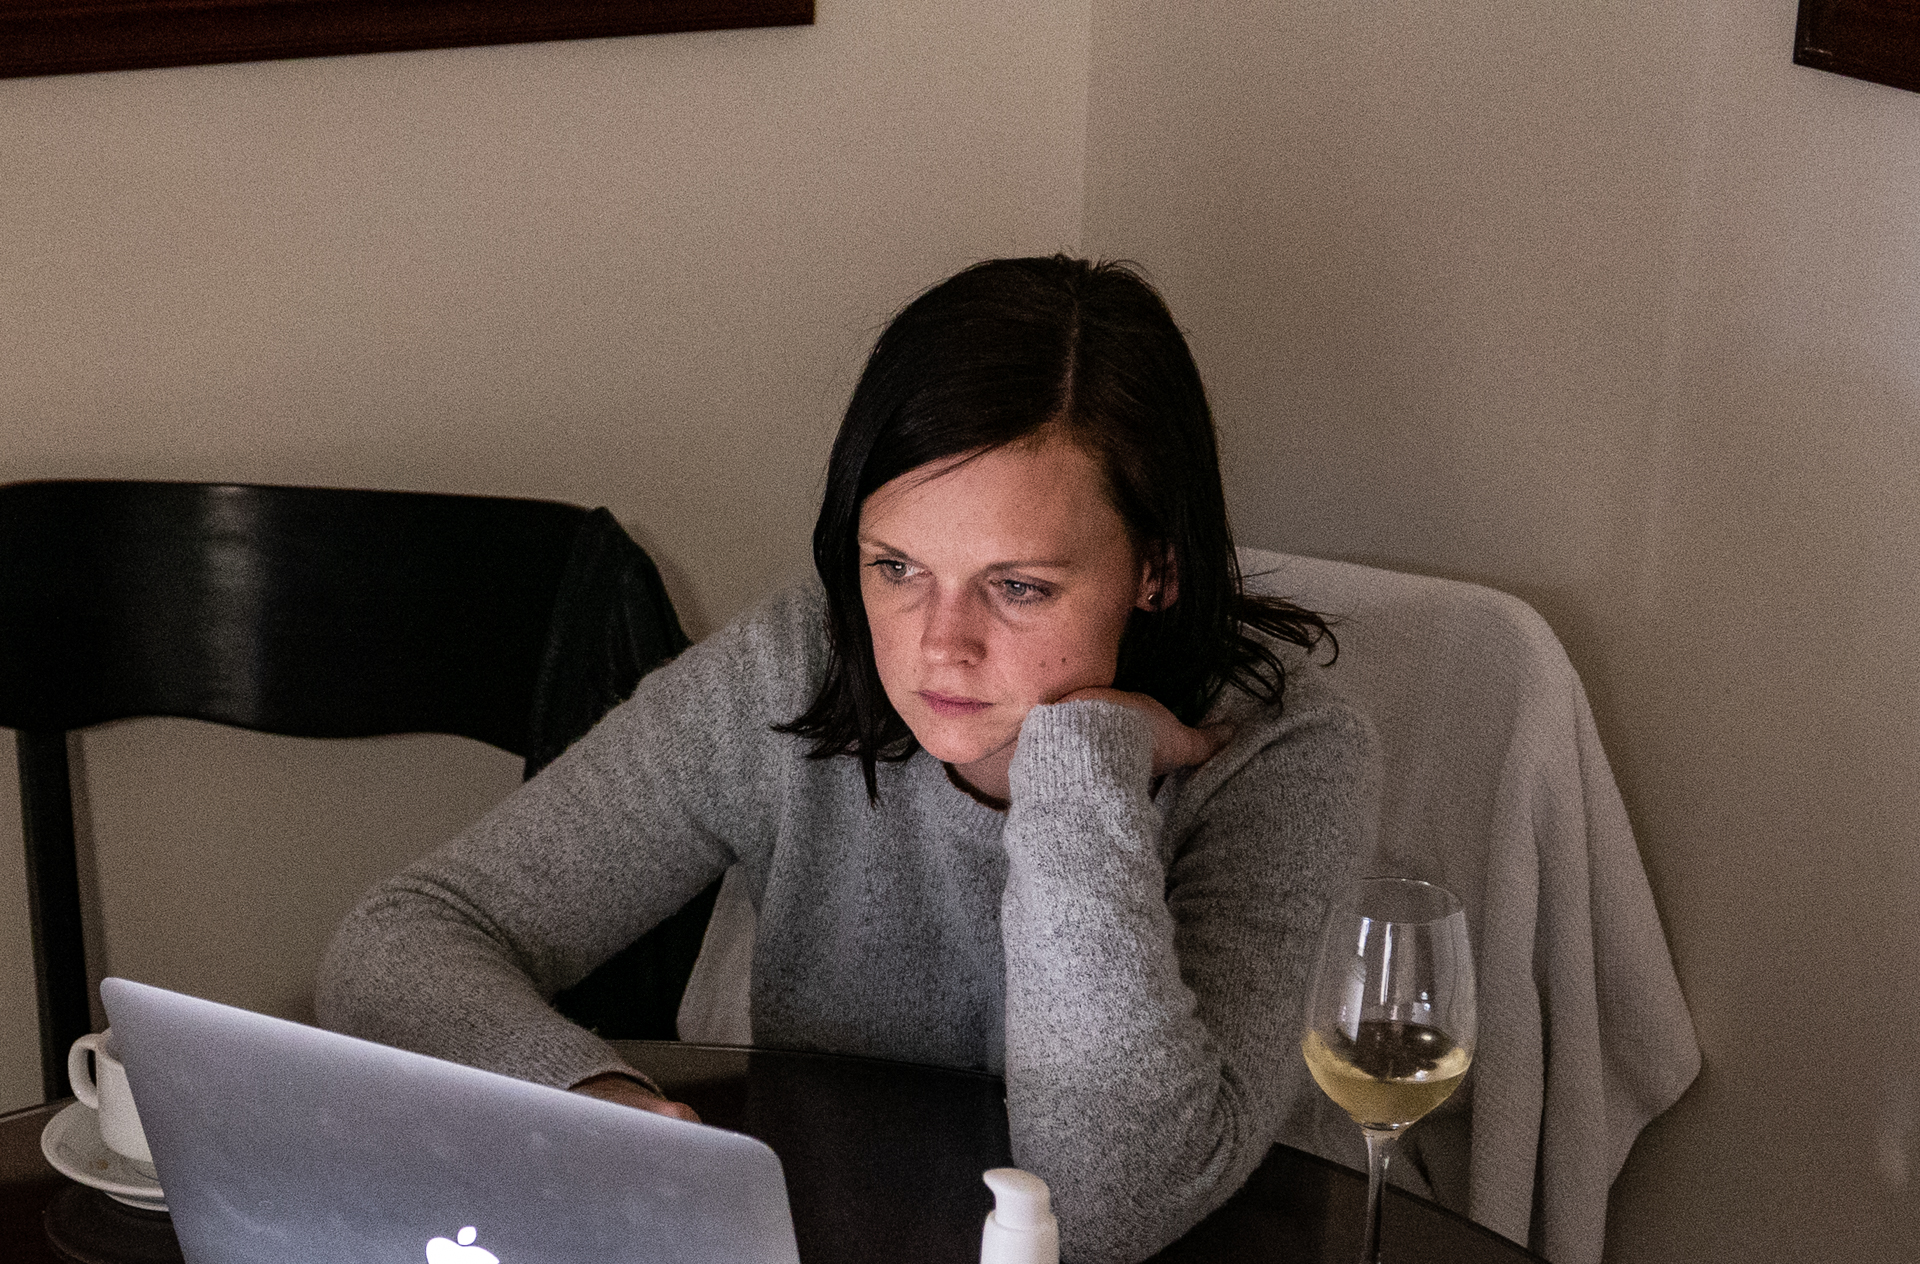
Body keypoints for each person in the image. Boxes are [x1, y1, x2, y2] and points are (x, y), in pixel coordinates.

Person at [316, 255, 1379, 1263]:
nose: (939, 646)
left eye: (1019, 587)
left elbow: (1110, 1208)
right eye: (896, 567)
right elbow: (403, 936)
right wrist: (586, 1099)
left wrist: (1080, 763)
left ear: (1157, 570)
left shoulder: (1284, 756)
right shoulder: (795, 666)